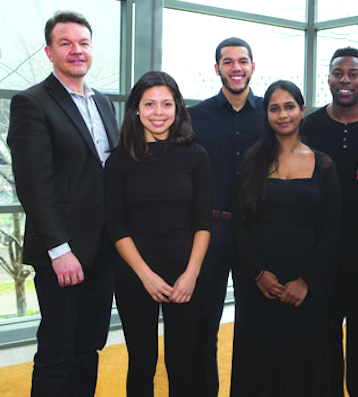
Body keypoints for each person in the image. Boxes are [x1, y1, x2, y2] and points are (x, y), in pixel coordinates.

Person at [7, 11, 119, 397]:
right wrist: (59, 250)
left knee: (89, 348)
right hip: (64, 254)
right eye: (66, 43)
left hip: (104, 249)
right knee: (57, 351)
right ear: (49, 51)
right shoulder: (31, 103)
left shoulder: (104, 104)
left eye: (83, 43)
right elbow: (33, 185)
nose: (76, 51)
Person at [230, 80, 341, 397]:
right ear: (266, 115)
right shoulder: (252, 160)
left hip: (308, 278)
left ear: (302, 111)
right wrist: (258, 274)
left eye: (289, 106)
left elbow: (331, 229)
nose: (282, 114)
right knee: (260, 358)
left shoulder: (323, 164)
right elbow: (239, 222)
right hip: (261, 278)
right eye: (274, 108)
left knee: (305, 359)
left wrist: (306, 280)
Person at [105, 71, 212, 396]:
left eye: (167, 104)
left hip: (185, 274)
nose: (158, 112)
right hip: (135, 277)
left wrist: (191, 275)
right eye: (149, 104)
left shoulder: (196, 156)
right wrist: (145, 276)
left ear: (178, 109)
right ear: (136, 108)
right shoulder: (120, 160)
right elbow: (115, 223)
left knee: (183, 362)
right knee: (142, 362)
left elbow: (203, 221)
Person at [303, 47, 358, 397]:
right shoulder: (310, 126)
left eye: (353, 73)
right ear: (329, 77)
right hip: (321, 248)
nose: (345, 80)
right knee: (322, 335)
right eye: (338, 73)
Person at [187, 37, 263, 397]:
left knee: (255, 326)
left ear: (252, 67)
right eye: (228, 62)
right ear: (216, 68)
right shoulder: (195, 117)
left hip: (257, 232)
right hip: (210, 232)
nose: (236, 68)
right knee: (205, 326)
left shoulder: (270, 114)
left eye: (243, 61)